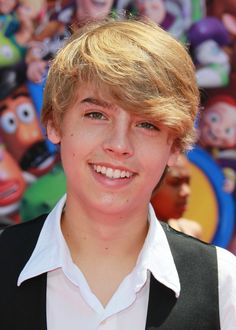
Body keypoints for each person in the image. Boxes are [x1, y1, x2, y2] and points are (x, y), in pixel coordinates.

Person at [0, 18, 235, 329]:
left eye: (147, 124)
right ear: (55, 123)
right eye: (96, 115)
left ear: (175, 145)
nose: (119, 145)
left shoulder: (224, 286)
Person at [151, 154, 203, 239]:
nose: (186, 192)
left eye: (187, 182)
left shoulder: (191, 232)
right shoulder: (128, 236)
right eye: (175, 182)